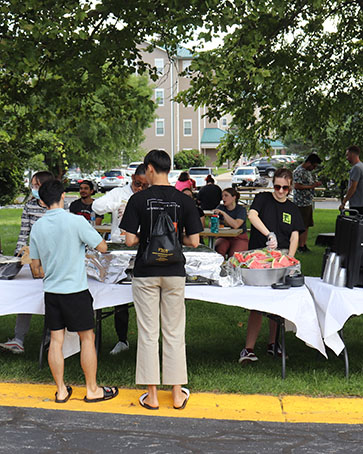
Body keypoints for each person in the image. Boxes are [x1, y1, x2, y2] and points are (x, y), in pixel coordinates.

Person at [120, 149, 202, 410]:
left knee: (147, 332)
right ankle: (177, 394)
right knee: (175, 332)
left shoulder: (138, 200)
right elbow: (195, 241)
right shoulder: (184, 201)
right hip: (175, 271)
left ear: (150, 169)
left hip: (146, 271)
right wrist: (174, 239)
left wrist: (148, 234)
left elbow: (130, 239)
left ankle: (152, 395)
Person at [29, 179, 118, 403]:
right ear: (63, 197)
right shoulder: (75, 221)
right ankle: (92, 389)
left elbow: (35, 265)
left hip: (51, 291)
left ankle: (61, 390)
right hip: (76, 290)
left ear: (41, 201)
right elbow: (102, 247)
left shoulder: (37, 226)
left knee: (56, 340)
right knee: (86, 338)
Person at [239, 168, 305, 364]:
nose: (281, 191)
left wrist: (290, 261)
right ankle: (248, 348)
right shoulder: (263, 199)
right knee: (257, 305)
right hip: (259, 256)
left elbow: (295, 236)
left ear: (290, 187)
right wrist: (269, 234)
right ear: (272, 184)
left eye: (285, 187)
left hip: (282, 258)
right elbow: (252, 216)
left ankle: (273, 343)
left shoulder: (293, 209)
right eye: (277, 186)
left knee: (278, 304)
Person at [92, 164, 148, 355]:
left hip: (142, 246)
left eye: (144, 185)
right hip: (119, 246)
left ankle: (146, 340)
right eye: (137, 184)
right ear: (132, 178)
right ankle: (122, 339)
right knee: (118, 295)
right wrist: (118, 204)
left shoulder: (149, 194)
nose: (140, 188)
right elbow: (96, 206)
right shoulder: (119, 193)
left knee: (145, 294)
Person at [0, 171, 55, 354]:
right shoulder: (29, 206)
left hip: (55, 260)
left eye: (36, 185)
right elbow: (24, 233)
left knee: (52, 299)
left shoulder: (57, 206)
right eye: (33, 185)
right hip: (34, 260)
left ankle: (50, 340)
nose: (33, 188)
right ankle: (18, 339)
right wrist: (17, 257)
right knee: (26, 297)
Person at [293, 154, 322, 252]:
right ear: (309, 162)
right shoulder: (299, 171)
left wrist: (314, 184)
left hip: (307, 202)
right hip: (301, 203)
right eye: (314, 166)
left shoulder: (307, 172)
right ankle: (300, 246)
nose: (314, 168)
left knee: (306, 225)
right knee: (301, 225)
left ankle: (303, 244)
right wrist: (312, 186)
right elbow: (297, 186)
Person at [213, 188, 248, 257]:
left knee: (234, 255)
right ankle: (219, 266)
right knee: (219, 250)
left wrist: (223, 213)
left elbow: (236, 225)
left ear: (234, 197)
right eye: (222, 196)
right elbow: (213, 224)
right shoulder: (220, 207)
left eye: (226, 195)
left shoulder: (241, 209)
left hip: (239, 237)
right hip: (224, 236)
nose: (223, 198)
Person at [339, 145, 363, 214]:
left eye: (347, 155)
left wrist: (344, 202)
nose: (346, 158)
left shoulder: (356, 168)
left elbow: (353, 187)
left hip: (357, 204)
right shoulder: (361, 166)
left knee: (355, 223)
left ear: (352, 154)